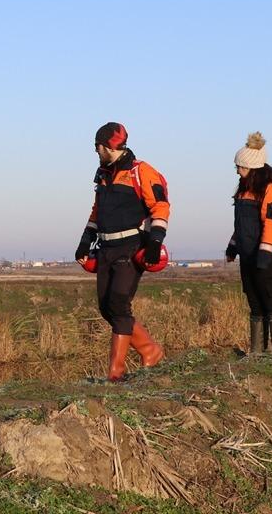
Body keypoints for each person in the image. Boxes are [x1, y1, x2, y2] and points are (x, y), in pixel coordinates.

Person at [75, 122, 170, 381]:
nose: (95, 151)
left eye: (98, 146)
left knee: (118, 302)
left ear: (108, 146)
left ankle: (114, 374)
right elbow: (96, 212)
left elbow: (160, 207)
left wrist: (155, 242)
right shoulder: (103, 174)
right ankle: (150, 350)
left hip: (131, 247)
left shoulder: (142, 172)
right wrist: (85, 241)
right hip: (105, 247)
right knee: (107, 307)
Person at [225, 132, 272, 353]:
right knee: (254, 302)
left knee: (271, 300)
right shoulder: (244, 191)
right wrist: (233, 246)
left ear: (253, 168)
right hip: (248, 255)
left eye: (240, 167)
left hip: (268, 257)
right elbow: (242, 225)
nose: (237, 170)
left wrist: (265, 252)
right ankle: (257, 355)